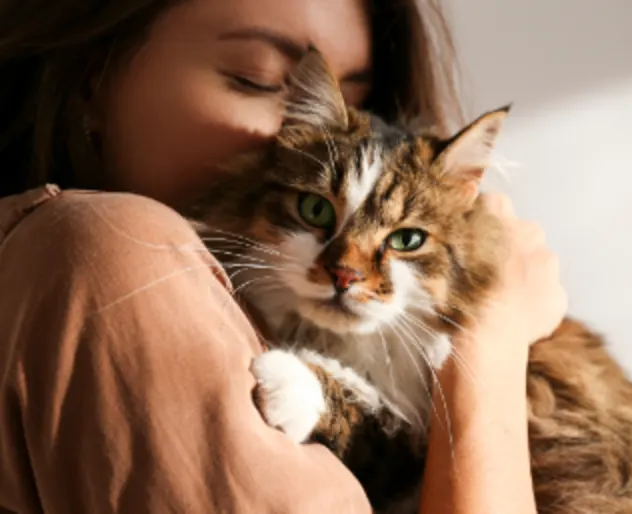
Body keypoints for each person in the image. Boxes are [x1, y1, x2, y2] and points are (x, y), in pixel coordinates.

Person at [0, 0, 567, 512]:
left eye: (355, 101)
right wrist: (491, 340)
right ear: (92, 81)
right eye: (261, 79)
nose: (315, 131)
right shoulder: (116, 249)